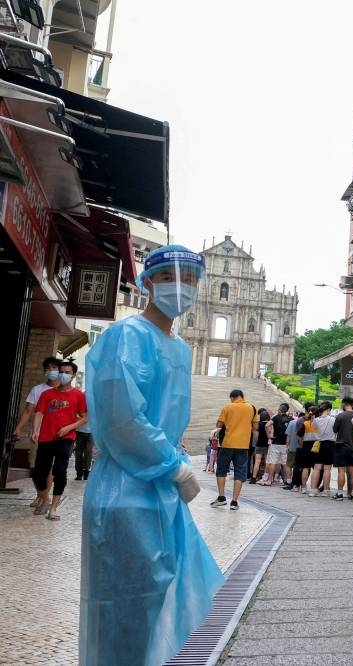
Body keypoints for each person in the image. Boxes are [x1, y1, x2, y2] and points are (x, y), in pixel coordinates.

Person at [81, 244, 223, 666]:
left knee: (156, 599)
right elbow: (122, 416)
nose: (181, 288)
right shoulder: (126, 336)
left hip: (160, 491)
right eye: (168, 278)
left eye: (191, 280)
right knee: (120, 604)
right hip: (124, 488)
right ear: (146, 282)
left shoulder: (178, 347)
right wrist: (174, 465)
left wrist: (171, 468)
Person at [30, 360, 87, 520]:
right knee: (38, 473)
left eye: (67, 372)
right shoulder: (46, 394)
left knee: (60, 471)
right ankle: (45, 498)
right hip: (46, 437)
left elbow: (85, 417)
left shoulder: (78, 395)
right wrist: (35, 430)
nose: (63, 374)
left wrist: (70, 427)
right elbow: (39, 412)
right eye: (61, 371)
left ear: (74, 375)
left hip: (65, 438)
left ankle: (53, 508)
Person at [16, 355, 61, 496]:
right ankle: (40, 494)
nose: (51, 370)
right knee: (37, 468)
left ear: (59, 370)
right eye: (48, 368)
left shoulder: (64, 391)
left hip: (57, 435)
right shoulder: (37, 390)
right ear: (44, 372)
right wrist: (18, 428)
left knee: (50, 468)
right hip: (38, 434)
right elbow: (28, 410)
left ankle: (44, 497)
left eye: (54, 368)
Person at [214, 389, 259, 510]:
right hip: (243, 445)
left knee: (221, 470)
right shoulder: (252, 408)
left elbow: (218, 425)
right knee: (239, 472)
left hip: (227, 444)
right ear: (242, 396)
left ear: (232, 398)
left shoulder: (228, 407)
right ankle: (234, 502)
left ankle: (221, 498)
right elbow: (255, 426)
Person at [308, 402, 337, 497]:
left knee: (316, 468)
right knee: (327, 469)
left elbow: (312, 433)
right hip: (330, 444)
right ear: (329, 409)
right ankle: (325, 491)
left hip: (318, 444)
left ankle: (313, 490)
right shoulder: (333, 419)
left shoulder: (315, 420)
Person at [332, 397, 353, 500]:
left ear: (344, 404)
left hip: (341, 446)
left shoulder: (340, 416)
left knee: (341, 471)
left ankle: (339, 493)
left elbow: (334, 430)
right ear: (352, 404)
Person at [267, 403, 292, 486]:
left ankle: (270, 480)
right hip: (286, 443)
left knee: (273, 462)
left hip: (276, 442)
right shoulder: (290, 419)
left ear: (279, 409)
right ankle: (286, 480)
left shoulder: (275, 417)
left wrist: (269, 436)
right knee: (285, 463)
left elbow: (267, 425)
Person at [250, 407, 272, 484]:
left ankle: (253, 478)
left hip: (259, 444)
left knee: (257, 462)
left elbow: (256, 436)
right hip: (268, 445)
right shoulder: (270, 424)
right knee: (267, 462)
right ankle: (265, 477)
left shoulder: (258, 424)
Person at [282, 408, 301, 490]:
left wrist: (287, 446)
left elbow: (288, 436)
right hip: (302, 448)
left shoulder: (292, 422)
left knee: (289, 465)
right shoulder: (306, 423)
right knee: (300, 467)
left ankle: (289, 482)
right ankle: (298, 483)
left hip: (292, 448)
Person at [73, 406, 94, 481]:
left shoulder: (94, 401)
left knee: (88, 451)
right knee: (78, 452)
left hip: (92, 431)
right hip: (79, 430)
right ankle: (79, 473)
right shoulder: (80, 400)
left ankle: (87, 471)